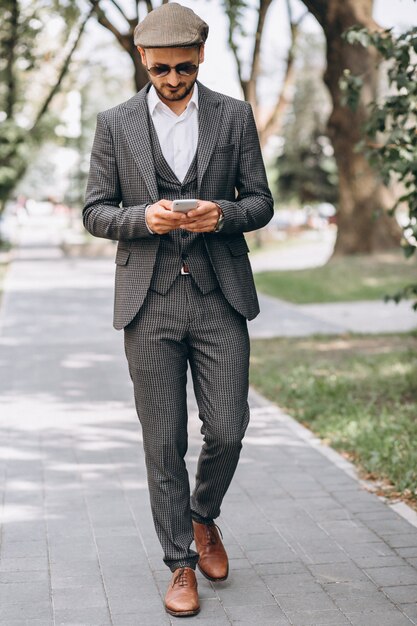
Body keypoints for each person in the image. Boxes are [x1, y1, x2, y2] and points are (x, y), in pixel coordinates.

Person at [84, 2, 273, 617]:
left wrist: (224, 213)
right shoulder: (114, 124)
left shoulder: (235, 117)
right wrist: (143, 218)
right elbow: (94, 212)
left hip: (220, 294)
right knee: (162, 440)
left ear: (200, 59)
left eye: (184, 68)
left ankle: (203, 516)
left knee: (228, 426)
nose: (172, 80)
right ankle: (180, 563)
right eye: (161, 68)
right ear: (144, 59)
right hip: (150, 303)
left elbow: (262, 202)